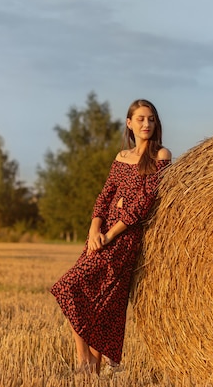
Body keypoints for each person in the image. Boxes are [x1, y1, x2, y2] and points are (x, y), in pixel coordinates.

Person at [50, 99, 172, 376]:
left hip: (124, 238)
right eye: (140, 119)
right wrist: (94, 230)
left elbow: (143, 203)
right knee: (74, 290)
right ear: (129, 123)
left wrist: (110, 233)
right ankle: (86, 360)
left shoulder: (160, 156)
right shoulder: (121, 157)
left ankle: (87, 363)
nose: (146, 124)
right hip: (100, 235)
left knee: (98, 299)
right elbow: (105, 196)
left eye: (151, 119)